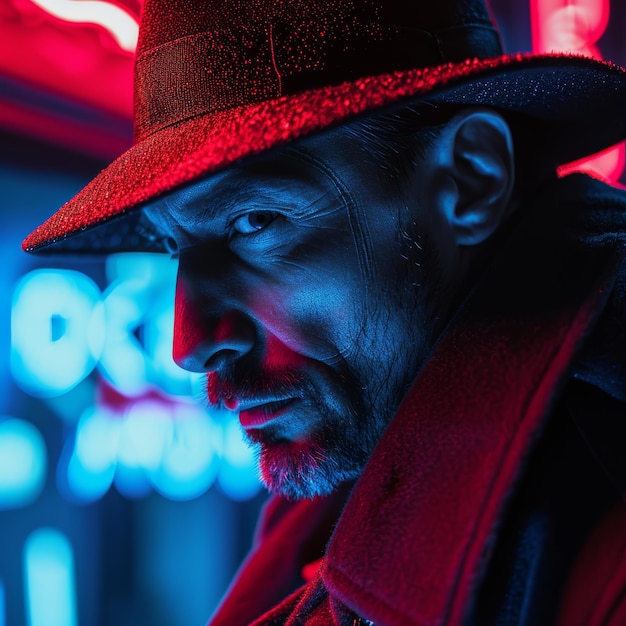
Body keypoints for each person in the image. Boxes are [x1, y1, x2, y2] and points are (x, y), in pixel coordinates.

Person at [23, 0, 626, 624]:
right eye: (175, 249)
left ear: (472, 177)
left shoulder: (593, 538)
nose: (189, 342)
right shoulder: (363, 481)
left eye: (253, 221)